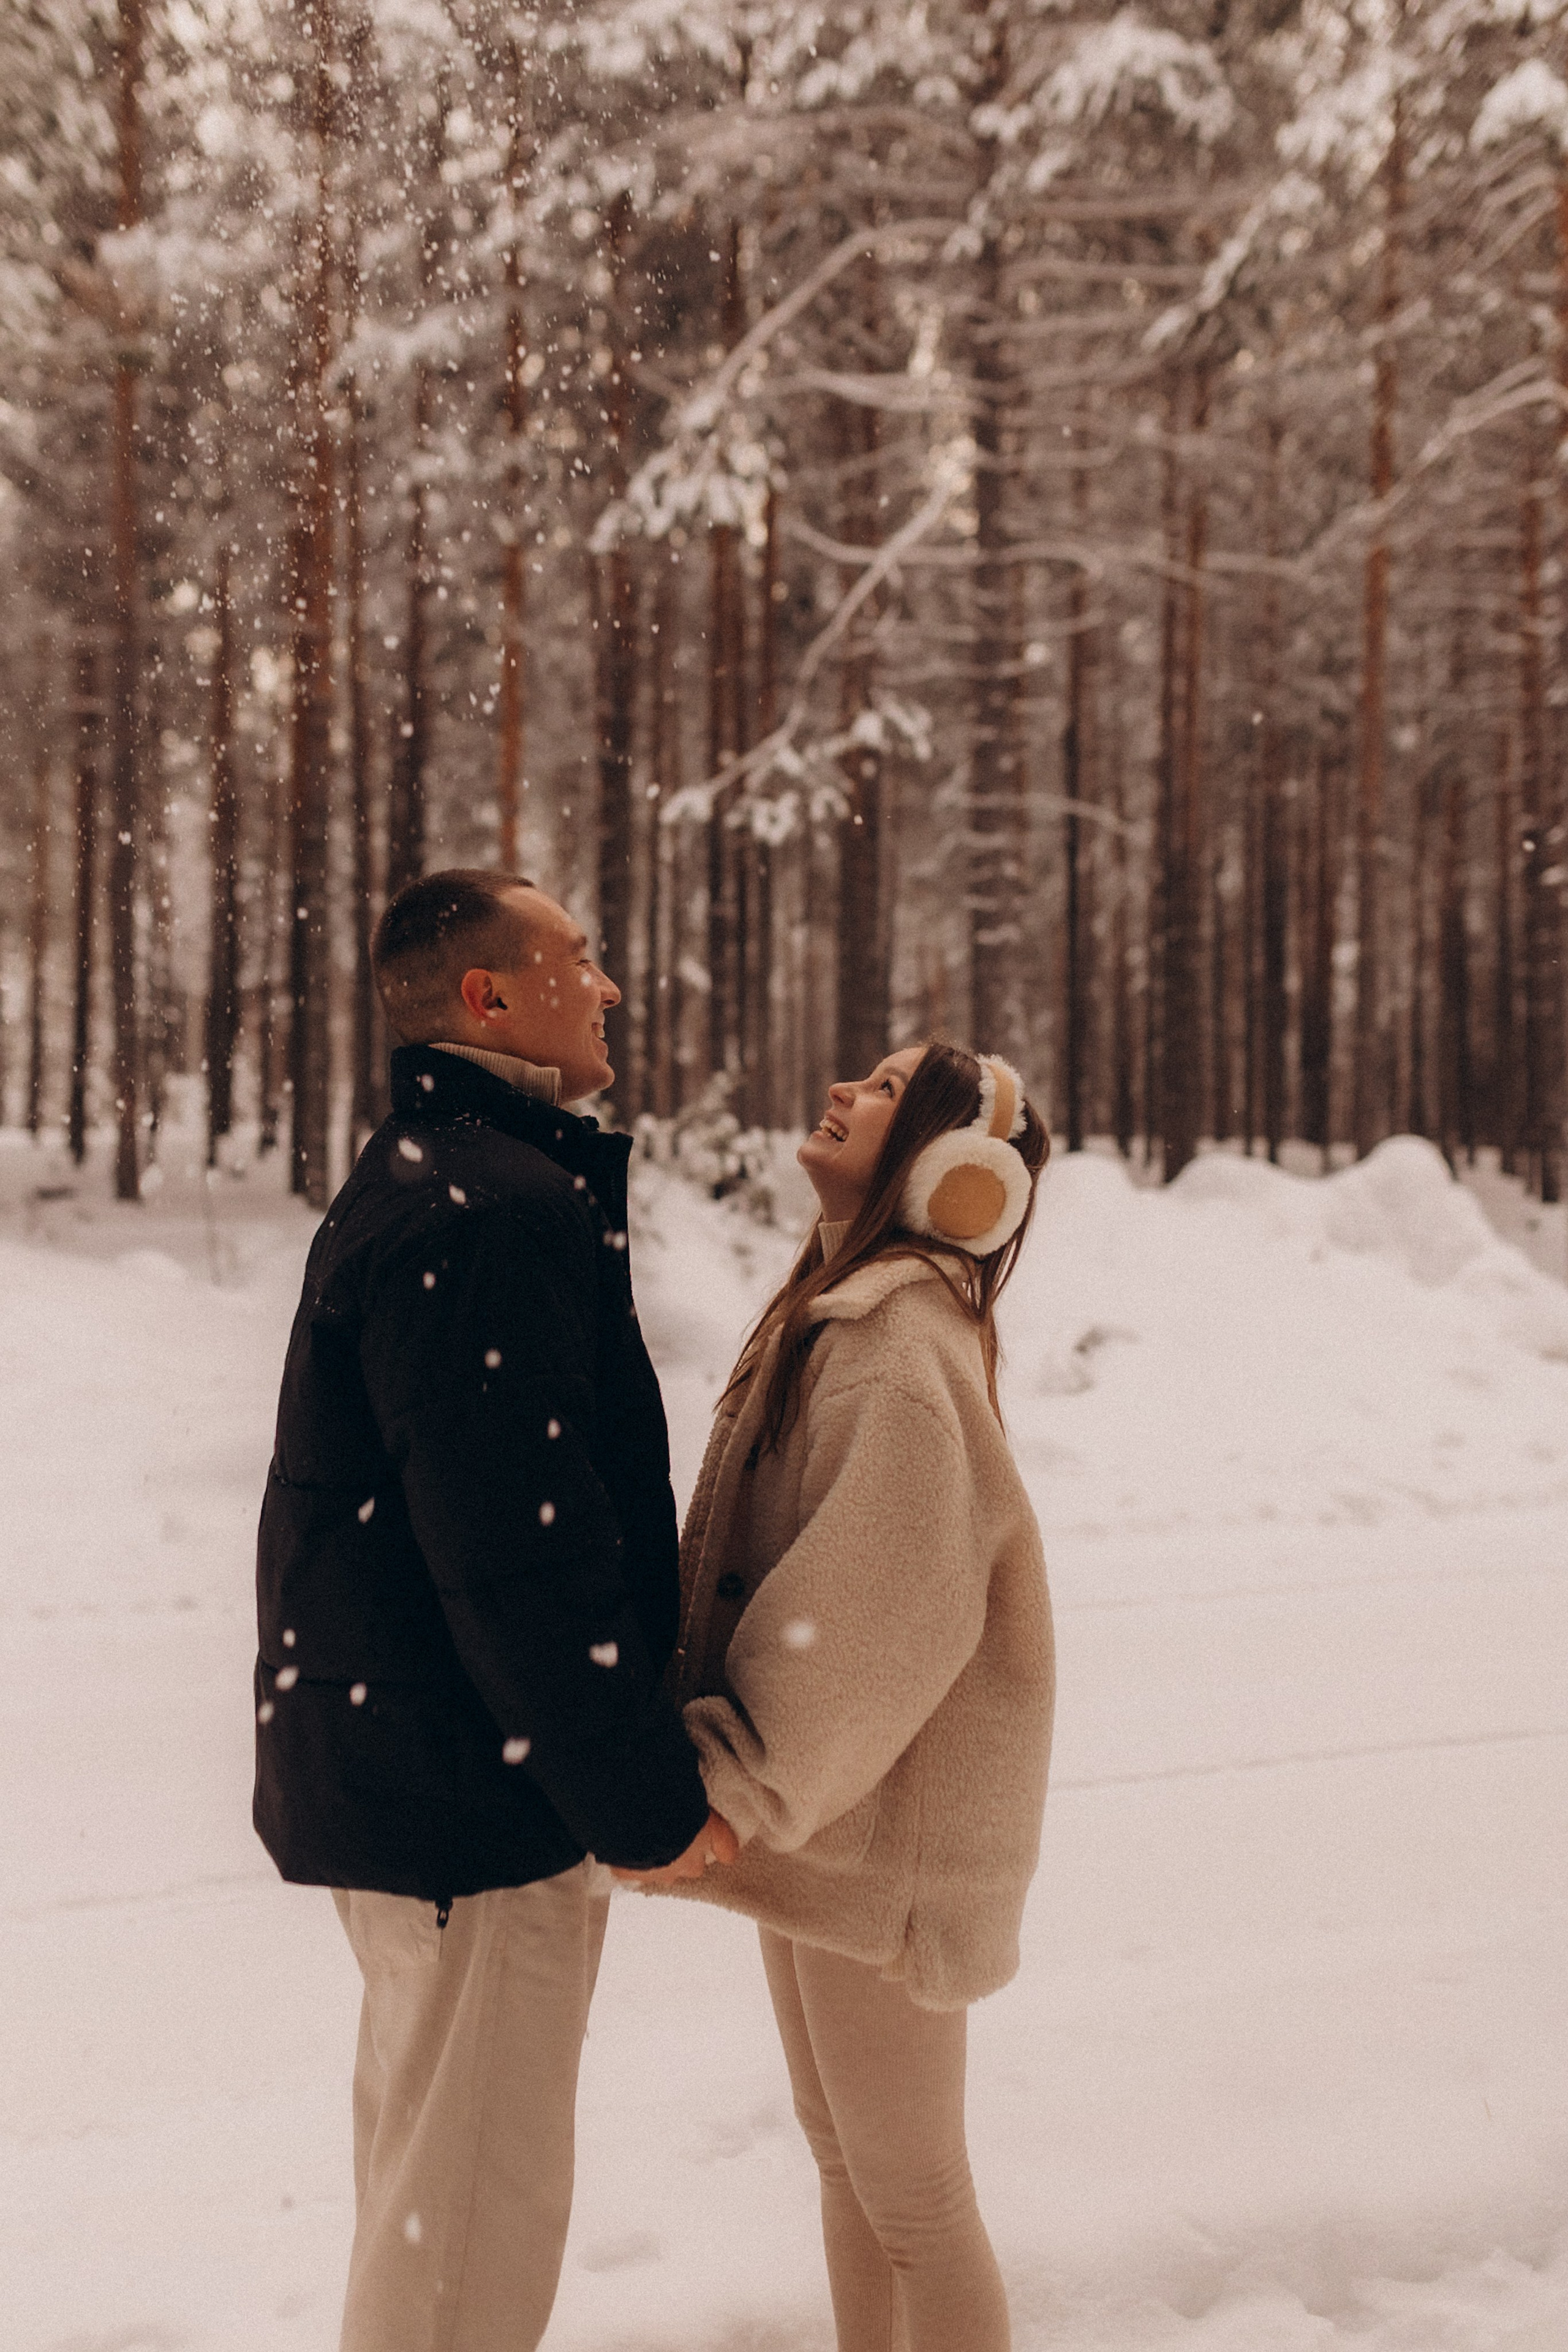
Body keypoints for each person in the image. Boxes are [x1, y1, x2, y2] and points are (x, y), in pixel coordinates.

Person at [252, 867, 734, 2352]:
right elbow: (520, 1559)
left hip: (413, 1792)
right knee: (465, 2244)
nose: (603, 987)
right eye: (576, 960)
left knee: (426, 2209)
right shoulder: (489, 1210)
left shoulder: (429, 1179)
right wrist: (642, 1805)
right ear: (489, 1000)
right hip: (475, 1809)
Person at [623, 1039, 1055, 2352]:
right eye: (861, 1072)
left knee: (914, 2195)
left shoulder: (894, 1342)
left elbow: (877, 1614)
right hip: (834, 1816)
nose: (844, 1091)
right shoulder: (845, 1306)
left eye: (884, 1090)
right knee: (850, 2172)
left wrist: (735, 1780)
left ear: (948, 1172)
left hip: (883, 1837)